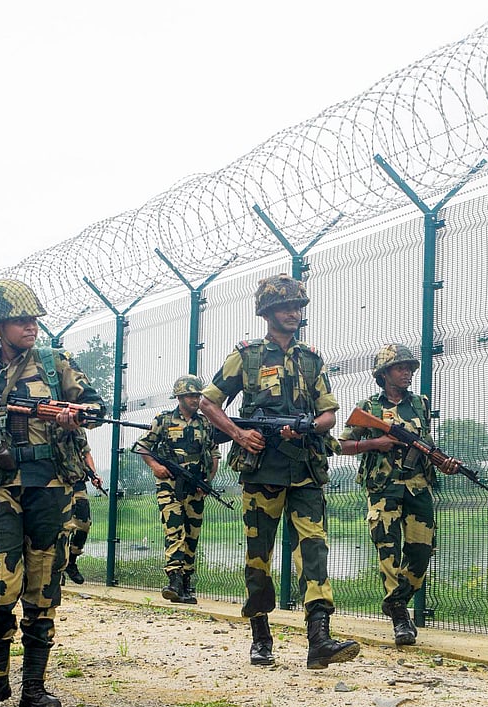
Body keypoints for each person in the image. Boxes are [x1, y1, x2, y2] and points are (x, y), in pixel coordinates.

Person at [0, 279, 106, 707]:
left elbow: (97, 407)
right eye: (20, 320)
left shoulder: (56, 364)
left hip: (51, 486)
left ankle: (34, 686)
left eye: (34, 320)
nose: (31, 327)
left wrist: (77, 416)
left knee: (43, 582)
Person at [199, 274, 360, 670]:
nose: (295, 313)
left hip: (305, 468)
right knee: (259, 556)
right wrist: (240, 434)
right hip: (261, 471)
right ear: (268, 312)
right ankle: (260, 636)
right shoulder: (248, 356)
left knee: (314, 548)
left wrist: (308, 426)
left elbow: (328, 415)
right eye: (288, 307)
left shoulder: (311, 358)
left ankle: (319, 639)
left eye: (299, 307)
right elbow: (209, 402)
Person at [339, 344, 459, 646]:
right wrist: (376, 443)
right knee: (388, 551)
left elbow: (425, 444)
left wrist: (443, 463)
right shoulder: (367, 408)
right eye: (400, 368)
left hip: (418, 487)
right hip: (383, 490)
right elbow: (340, 445)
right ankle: (401, 617)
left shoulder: (420, 404)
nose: (407, 373)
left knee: (422, 550)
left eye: (410, 368)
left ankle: (396, 600)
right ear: (384, 374)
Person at [137, 374, 220, 604]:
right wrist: (155, 466)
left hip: (195, 488)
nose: (194, 400)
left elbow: (214, 454)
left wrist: (207, 481)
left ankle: (185, 582)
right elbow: (142, 446)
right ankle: (173, 579)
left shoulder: (205, 423)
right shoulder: (163, 420)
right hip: (170, 486)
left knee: (192, 535)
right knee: (175, 530)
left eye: (196, 395)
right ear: (180, 397)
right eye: (190, 395)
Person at [62, 429, 103, 585]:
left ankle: (71, 561)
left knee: (84, 524)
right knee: (60, 527)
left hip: (77, 482)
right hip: (56, 481)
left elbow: (86, 453)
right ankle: (57, 568)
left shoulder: (78, 429)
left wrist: (94, 474)